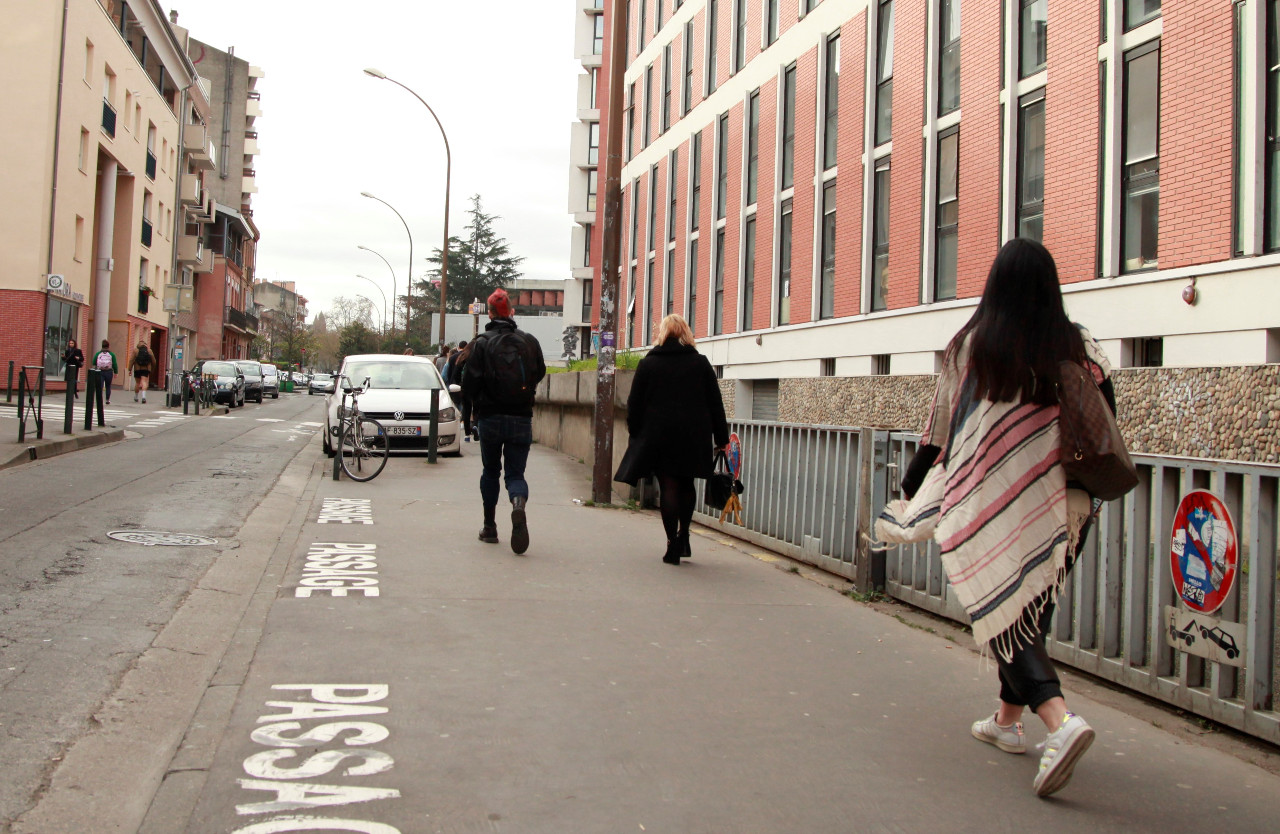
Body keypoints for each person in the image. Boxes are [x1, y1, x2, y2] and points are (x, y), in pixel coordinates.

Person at [900, 238, 1115, 798]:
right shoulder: (1079, 343)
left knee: (998, 610)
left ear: (994, 283)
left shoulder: (972, 345)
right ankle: (1006, 723)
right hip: (1065, 506)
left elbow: (941, 430)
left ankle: (1059, 721)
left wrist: (909, 485)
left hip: (990, 505)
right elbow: (1105, 419)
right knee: (1027, 610)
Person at [621, 314, 729, 565]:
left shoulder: (649, 364)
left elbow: (634, 403)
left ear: (663, 334)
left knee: (668, 486)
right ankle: (684, 535)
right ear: (686, 334)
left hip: (659, 436)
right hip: (693, 436)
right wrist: (721, 437)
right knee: (687, 485)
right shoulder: (700, 363)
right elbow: (716, 403)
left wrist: (635, 431)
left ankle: (671, 543)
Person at [462, 289, 546, 554]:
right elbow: (540, 372)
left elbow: (469, 383)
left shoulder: (481, 343)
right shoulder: (529, 341)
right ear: (511, 312)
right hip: (521, 417)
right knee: (515, 474)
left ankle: (489, 527)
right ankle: (518, 503)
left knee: (490, 471)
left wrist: (472, 413)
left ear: (489, 314)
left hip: (490, 417)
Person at [445, 340, 475, 441]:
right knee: (477, 408)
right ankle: (475, 427)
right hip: (477, 388)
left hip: (463, 388)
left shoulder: (458, 357)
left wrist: (456, 385)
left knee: (466, 409)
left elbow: (452, 375)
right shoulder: (478, 357)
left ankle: (467, 434)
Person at [91, 339, 118, 404]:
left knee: (100, 386)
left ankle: (99, 399)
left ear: (102, 346)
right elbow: (114, 364)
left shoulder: (98, 353)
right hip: (109, 372)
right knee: (108, 386)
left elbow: (94, 362)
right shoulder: (112, 354)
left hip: (100, 371)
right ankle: (107, 399)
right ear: (108, 346)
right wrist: (116, 372)